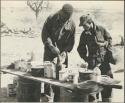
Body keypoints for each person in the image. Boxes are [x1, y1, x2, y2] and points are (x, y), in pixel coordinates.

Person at [41, 4, 75, 102]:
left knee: (61, 78)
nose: (66, 20)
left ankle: (58, 98)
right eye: (64, 17)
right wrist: (51, 46)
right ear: (61, 12)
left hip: (63, 55)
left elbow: (71, 42)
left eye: (68, 19)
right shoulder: (51, 18)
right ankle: (48, 98)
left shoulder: (72, 23)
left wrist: (65, 51)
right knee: (48, 77)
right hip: (49, 52)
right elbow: (45, 34)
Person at [77, 14, 114, 102]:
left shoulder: (101, 29)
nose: (83, 28)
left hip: (104, 60)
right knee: (92, 83)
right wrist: (86, 58)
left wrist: (106, 46)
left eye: (85, 25)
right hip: (92, 61)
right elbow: (80, 47)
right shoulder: (84, 34)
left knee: (107, 80)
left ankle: (107, 99)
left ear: (90, 23)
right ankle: (93, 100)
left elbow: (109, 39)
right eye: (82, 26)